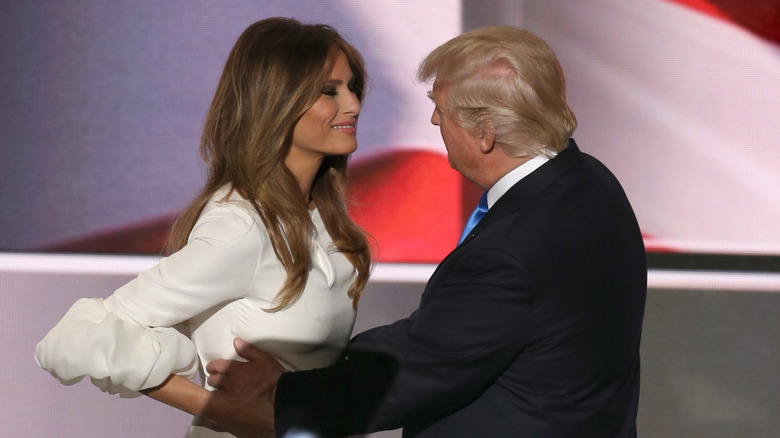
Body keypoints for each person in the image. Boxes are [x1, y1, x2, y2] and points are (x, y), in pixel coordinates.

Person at [197, 25, 648, 438]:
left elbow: (413, 372)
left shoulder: (510, 254)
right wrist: (328, 356)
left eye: (442, 108)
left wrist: (286, 389)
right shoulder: (590, 182)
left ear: (485, 133)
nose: (434, 121)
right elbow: (438, 335)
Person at [34, 17, 372, 438]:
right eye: (329, 91)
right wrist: (227, 411)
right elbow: (78, 336)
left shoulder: (322, 219)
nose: (354, 104)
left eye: (352, 86)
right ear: (276, 100)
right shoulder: (243, 225)